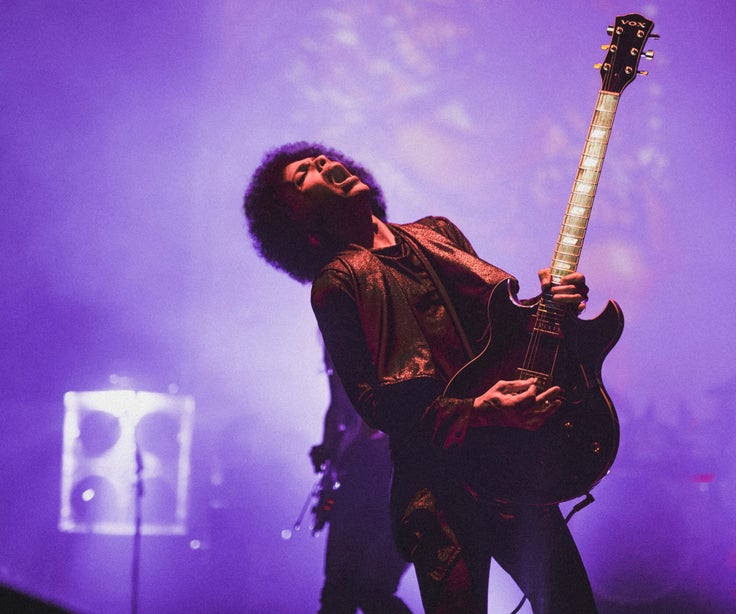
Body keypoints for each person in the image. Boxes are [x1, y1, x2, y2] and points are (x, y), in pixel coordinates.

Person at [243, 141, 598, 613]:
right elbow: (373, 403)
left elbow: (501, 331)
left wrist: (553, 305)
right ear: (301, 223)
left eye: (320, 158)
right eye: (303, 173)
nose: (324, 163)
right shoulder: (338, 282)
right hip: (440, 489)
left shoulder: (437, 232)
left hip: (514, 466)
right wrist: (476, 411)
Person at [309, 345, 412, 613]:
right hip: (354, 478)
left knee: (373, 590)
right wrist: (328, 445)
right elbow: (337, 404)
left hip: (397, 477)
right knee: (338, 591)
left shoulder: (385, 326)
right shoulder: (334, 334)